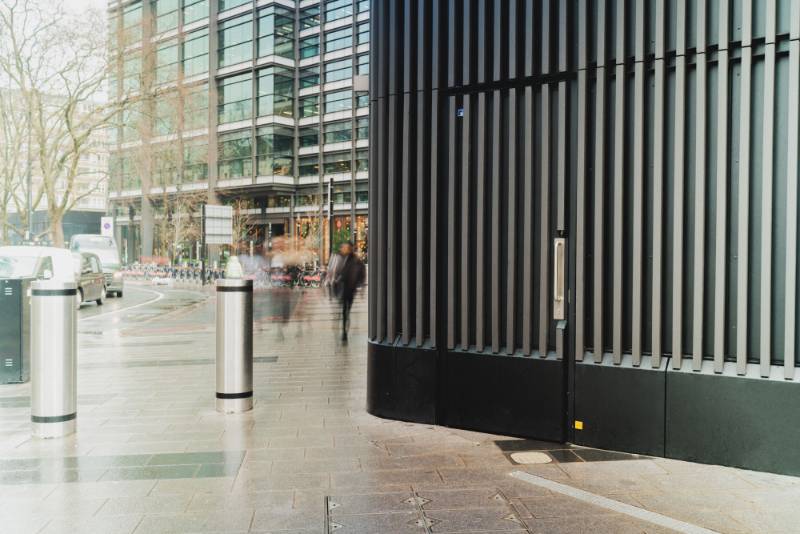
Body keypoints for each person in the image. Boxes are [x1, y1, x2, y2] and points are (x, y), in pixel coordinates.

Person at [330, 241, 365, 342]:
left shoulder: (355, 260)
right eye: (342, 247)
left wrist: (360, 285)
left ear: (349, 249)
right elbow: (334, 271)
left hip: (350, 289)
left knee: (346, 311)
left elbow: (361, 273)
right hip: (341, 287)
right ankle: (344, 331)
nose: (343, 249)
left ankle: (345, 331)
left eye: (345, 247)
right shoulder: (339, 258)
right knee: (343, 310)